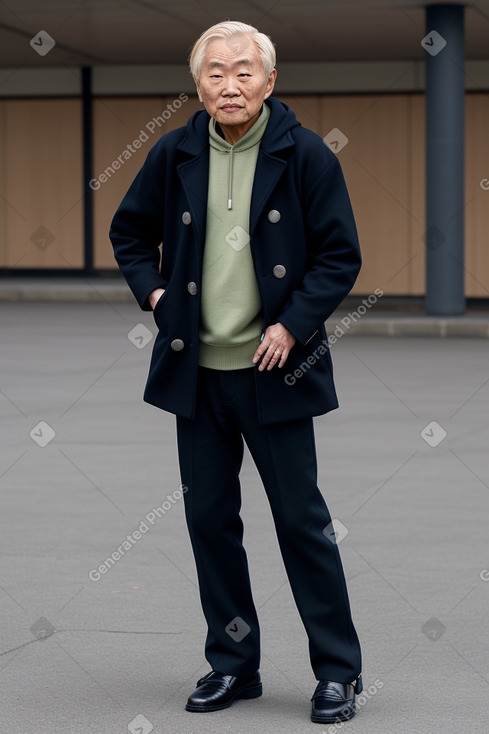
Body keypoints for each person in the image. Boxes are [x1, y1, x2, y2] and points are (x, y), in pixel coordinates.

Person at [110, 20, 363, 724]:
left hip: (273, 373)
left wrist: (291, 326)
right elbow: (127, 233)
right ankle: (232, 663)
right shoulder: (174, 151)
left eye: (244, 70)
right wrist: (157, 298)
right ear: (198, 84)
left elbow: (339, 256)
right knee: (210, 522)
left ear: (269, 81)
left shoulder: (304, 154)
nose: (230, 83)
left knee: (301, 524)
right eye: (216, 71)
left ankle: (338, 672)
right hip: (198, 377)